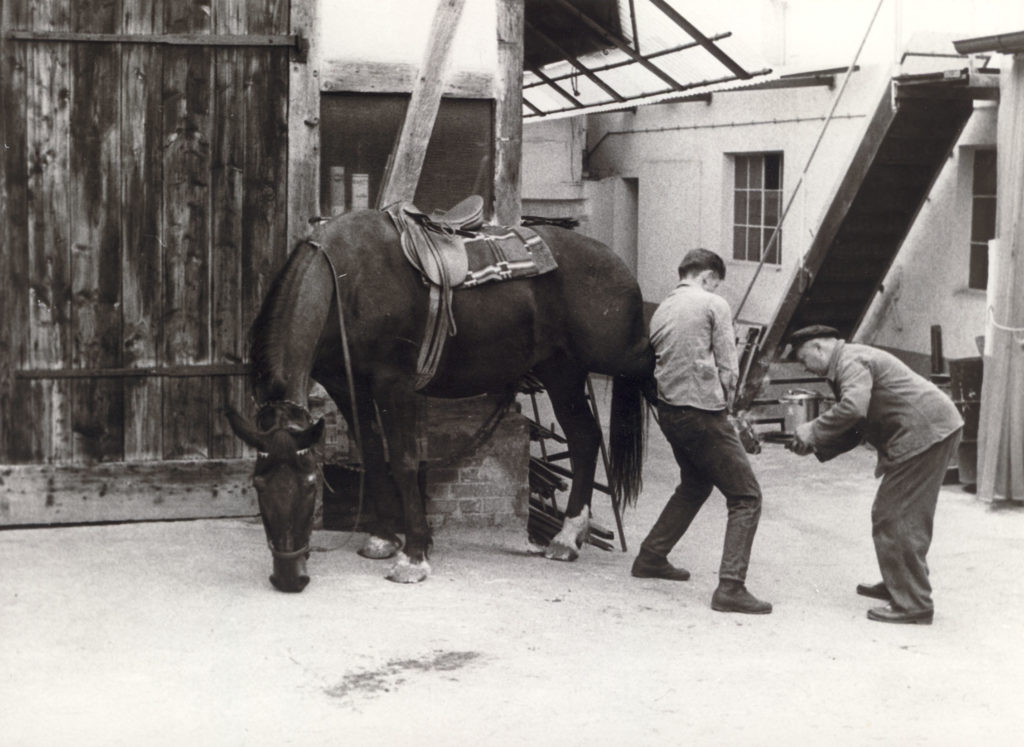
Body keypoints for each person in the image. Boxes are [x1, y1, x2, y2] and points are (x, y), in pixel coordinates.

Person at [785, 325, 963, 625]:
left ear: (818, 348)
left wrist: (812, 429)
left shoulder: (850, 362)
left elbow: (853, 409)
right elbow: (857, 426)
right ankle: (901, 582)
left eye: (804, 359)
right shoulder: (848, 361)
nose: (805, 367)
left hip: (924, 434)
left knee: (895, 515)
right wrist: (814, 444)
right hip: (929, 429)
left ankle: (913, 604)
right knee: (900, 515)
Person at [631, 248, 771, 615]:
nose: (716, 287)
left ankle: (651, 556)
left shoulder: (662, 307)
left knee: (695, 484)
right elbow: (728, 366)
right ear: (709, 277)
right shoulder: (713, 303)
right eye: (716, 282)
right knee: (746, 497)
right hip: (703, 413)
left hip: (671, 412)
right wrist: (733, 413)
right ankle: (730, 587)